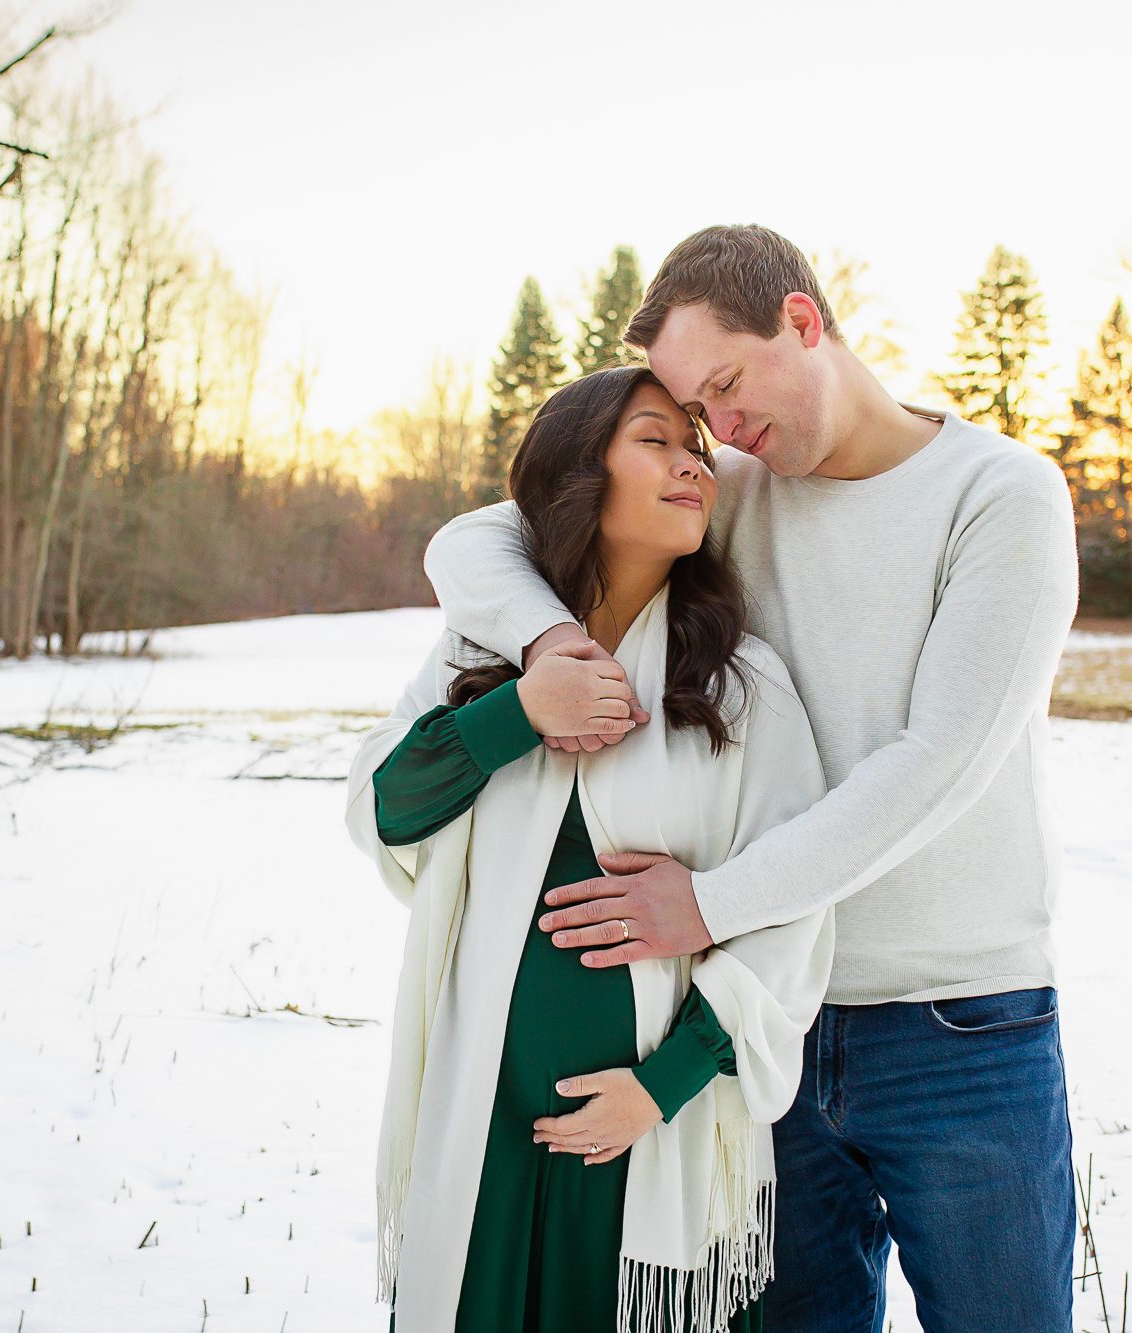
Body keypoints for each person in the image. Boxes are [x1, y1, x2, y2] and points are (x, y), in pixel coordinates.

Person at [423, 225, 1082, 1332]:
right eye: (694, 413)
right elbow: (479, 536)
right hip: (764, 1020)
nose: (719, 431)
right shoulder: (732, 482)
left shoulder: (999, 495)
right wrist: (544, 642)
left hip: (959, 1028)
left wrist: (707, 904)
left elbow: (934, 765)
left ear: (801, 320)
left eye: (726, 386)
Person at [343, 364, 835, 1333]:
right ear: (582, 472)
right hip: (482, 1121)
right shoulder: (475, 654)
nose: (692, 464)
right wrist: (517, 713)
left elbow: (792, 914)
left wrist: (659, 1089)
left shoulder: (741, 686)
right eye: (655, 439)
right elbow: (384, 809)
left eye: (697, 448)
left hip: (646, 1137)